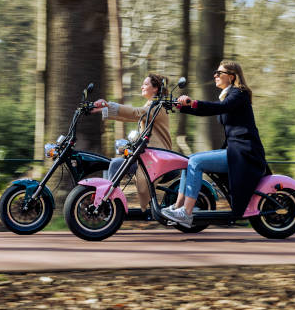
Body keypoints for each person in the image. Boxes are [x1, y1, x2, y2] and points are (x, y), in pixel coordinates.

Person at [162, 60, 269, 227]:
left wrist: (193, 102)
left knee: (196, 161)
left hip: (244, 153)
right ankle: (178, 207)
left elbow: (219, 108)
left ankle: (186, 212)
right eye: (216, 72)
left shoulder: (239, 94)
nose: (215, 75)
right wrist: (180, 106)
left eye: (219, 73)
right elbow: (211, 110)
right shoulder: (229, 95)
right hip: (235, 150)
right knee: (188, 160)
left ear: (232, 77)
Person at [92, 73, 172, 211]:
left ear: (156, 88)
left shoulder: (158, 106)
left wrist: (108, 105)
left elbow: (136, 112)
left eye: (146, 84)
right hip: (149, 155)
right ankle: (109, 201)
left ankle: (110, 204)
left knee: (117, 165)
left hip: (156, 156)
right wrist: (104, 109)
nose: (142, 86)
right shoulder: (151, 105)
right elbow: (130, 116)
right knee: (116, 164)